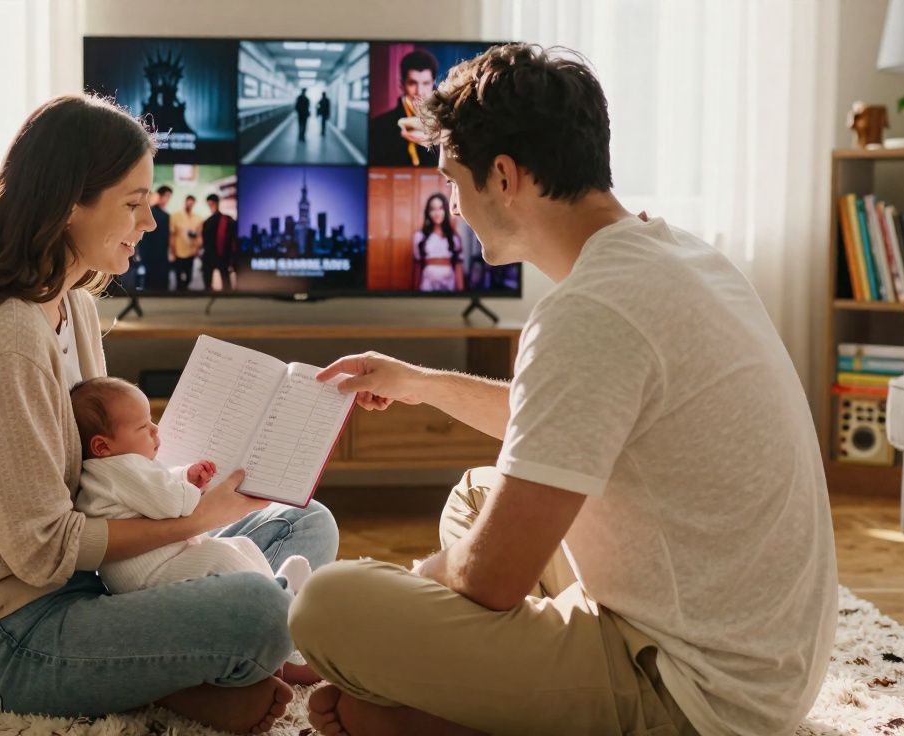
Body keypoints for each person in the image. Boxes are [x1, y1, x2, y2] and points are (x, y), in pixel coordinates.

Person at [290, 44, 836, 736]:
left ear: (506, 176)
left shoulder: (590, 310)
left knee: (326, 608)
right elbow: (568, 421)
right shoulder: (679, 254)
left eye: (453, 180)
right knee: (477, 493)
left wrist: (407, 593)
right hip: (767, 657)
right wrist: (418, 383)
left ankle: (443, 713)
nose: (452, 206)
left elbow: (490, 578)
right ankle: (463, 695)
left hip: (697, 693)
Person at [0, 94, 338, 735]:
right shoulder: (8, 339)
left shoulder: (71, 307)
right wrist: (202, 514)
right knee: (260, 610)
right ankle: (217, 665)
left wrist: (185, 488)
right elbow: (41, 553)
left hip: (99, 583)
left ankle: (196, 670)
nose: (150, 223)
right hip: (10, 632)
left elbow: (96, 476)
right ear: (70, 203)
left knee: (304, 520)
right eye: (133, 204)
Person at [71, 377, 314, 595]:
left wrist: (186, 477)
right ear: (102, 447)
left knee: (241, 545)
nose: (155, 429)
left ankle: (277, 588)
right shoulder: (120, 468)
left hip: (166, 557)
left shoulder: (118, 467)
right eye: (143, 427)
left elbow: (159, 488)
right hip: (148, 574)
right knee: (221, 556)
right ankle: (279, 599)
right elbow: (174, 504)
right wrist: (200, 494)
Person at [368, 49, 439, 167]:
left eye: (426, 83)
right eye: (412, 83)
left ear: (433, 84)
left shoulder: (446, 125)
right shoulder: (378, 126)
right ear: (402, 85)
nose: (420, 92)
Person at [411, 192, 463, 291]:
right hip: (427, 284)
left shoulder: (454, 237)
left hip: (448, 284)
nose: (437, 213)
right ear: (428, 212)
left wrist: (461, 293)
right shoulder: (420, 236)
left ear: (446, 211)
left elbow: (458, 266)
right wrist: (415, 293)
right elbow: (417, 266)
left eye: (440, 208)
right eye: (433, 209)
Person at [136, 185, 172, 291]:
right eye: (166, 196)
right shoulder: (153, 213)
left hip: (160, 255)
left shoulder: (165, 215)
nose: (168, 199)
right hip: (150, 255)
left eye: (169, 197)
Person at [201, 193, 237, 291]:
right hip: (213, 256)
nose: (210, 206)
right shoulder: (208, 222)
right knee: (210, 282)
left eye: (211, 204)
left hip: (222, 256)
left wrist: (232, 258)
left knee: (224, 282)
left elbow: (233, 241)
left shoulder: (226, 220)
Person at [169, 194, 203, 291]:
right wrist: (172, 251)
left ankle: (185, 291)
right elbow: (172, 235)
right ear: (185, 202)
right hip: (178, 252)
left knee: (189, 277)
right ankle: (179, 295)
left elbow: (199, 236)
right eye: (188, 203)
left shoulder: (198, 218)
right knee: (178, 277)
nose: (190, 205)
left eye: (192, 203)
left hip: (191, 252)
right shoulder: (175, 216)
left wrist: (197, 248)